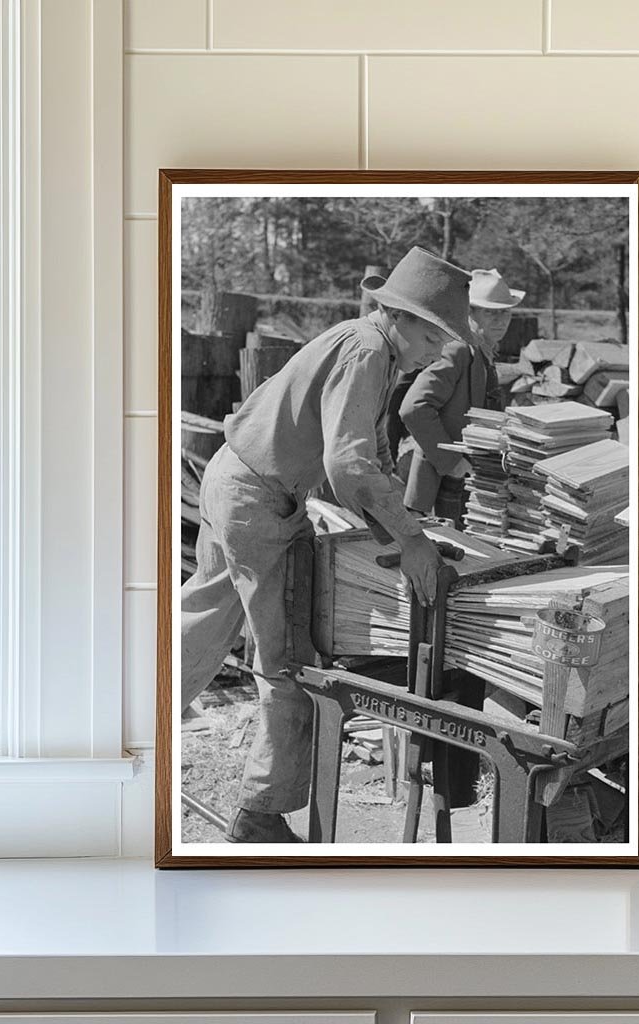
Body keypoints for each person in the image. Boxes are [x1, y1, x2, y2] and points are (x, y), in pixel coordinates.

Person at [179, 246, 473, 843]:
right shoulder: (368, 350)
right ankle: (258, 814)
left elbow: (370, 450)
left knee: (205, 616)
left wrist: (404, 521)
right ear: (402, 316)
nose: (435, 352)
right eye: (432, 335)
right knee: (289, 660)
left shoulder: (370, 347)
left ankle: (119, 722)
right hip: (257, 499)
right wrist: (413, 543)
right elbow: (348, 466)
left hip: (234, 479)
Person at [400, 268, 524, 526]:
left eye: (505, 312)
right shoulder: (458, 349)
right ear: (470, 313)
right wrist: (452, 462)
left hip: (465, 480)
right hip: (444, 484)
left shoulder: (483, 352)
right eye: (491, 312)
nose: (500, 320)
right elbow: (414, 408)